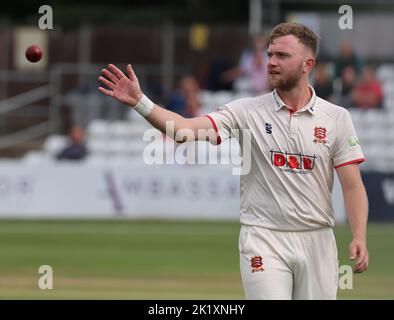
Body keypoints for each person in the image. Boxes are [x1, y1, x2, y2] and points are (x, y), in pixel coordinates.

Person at [98, 22, 369, 300]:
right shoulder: (246, 111)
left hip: (318, 241)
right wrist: (140, 102)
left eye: (282, 56)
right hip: (264, 238)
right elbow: (184, 131)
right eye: (270, 54)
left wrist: (359, 236)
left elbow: (352, 186)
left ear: (307, 64)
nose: (272, 62)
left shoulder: (336, 118)